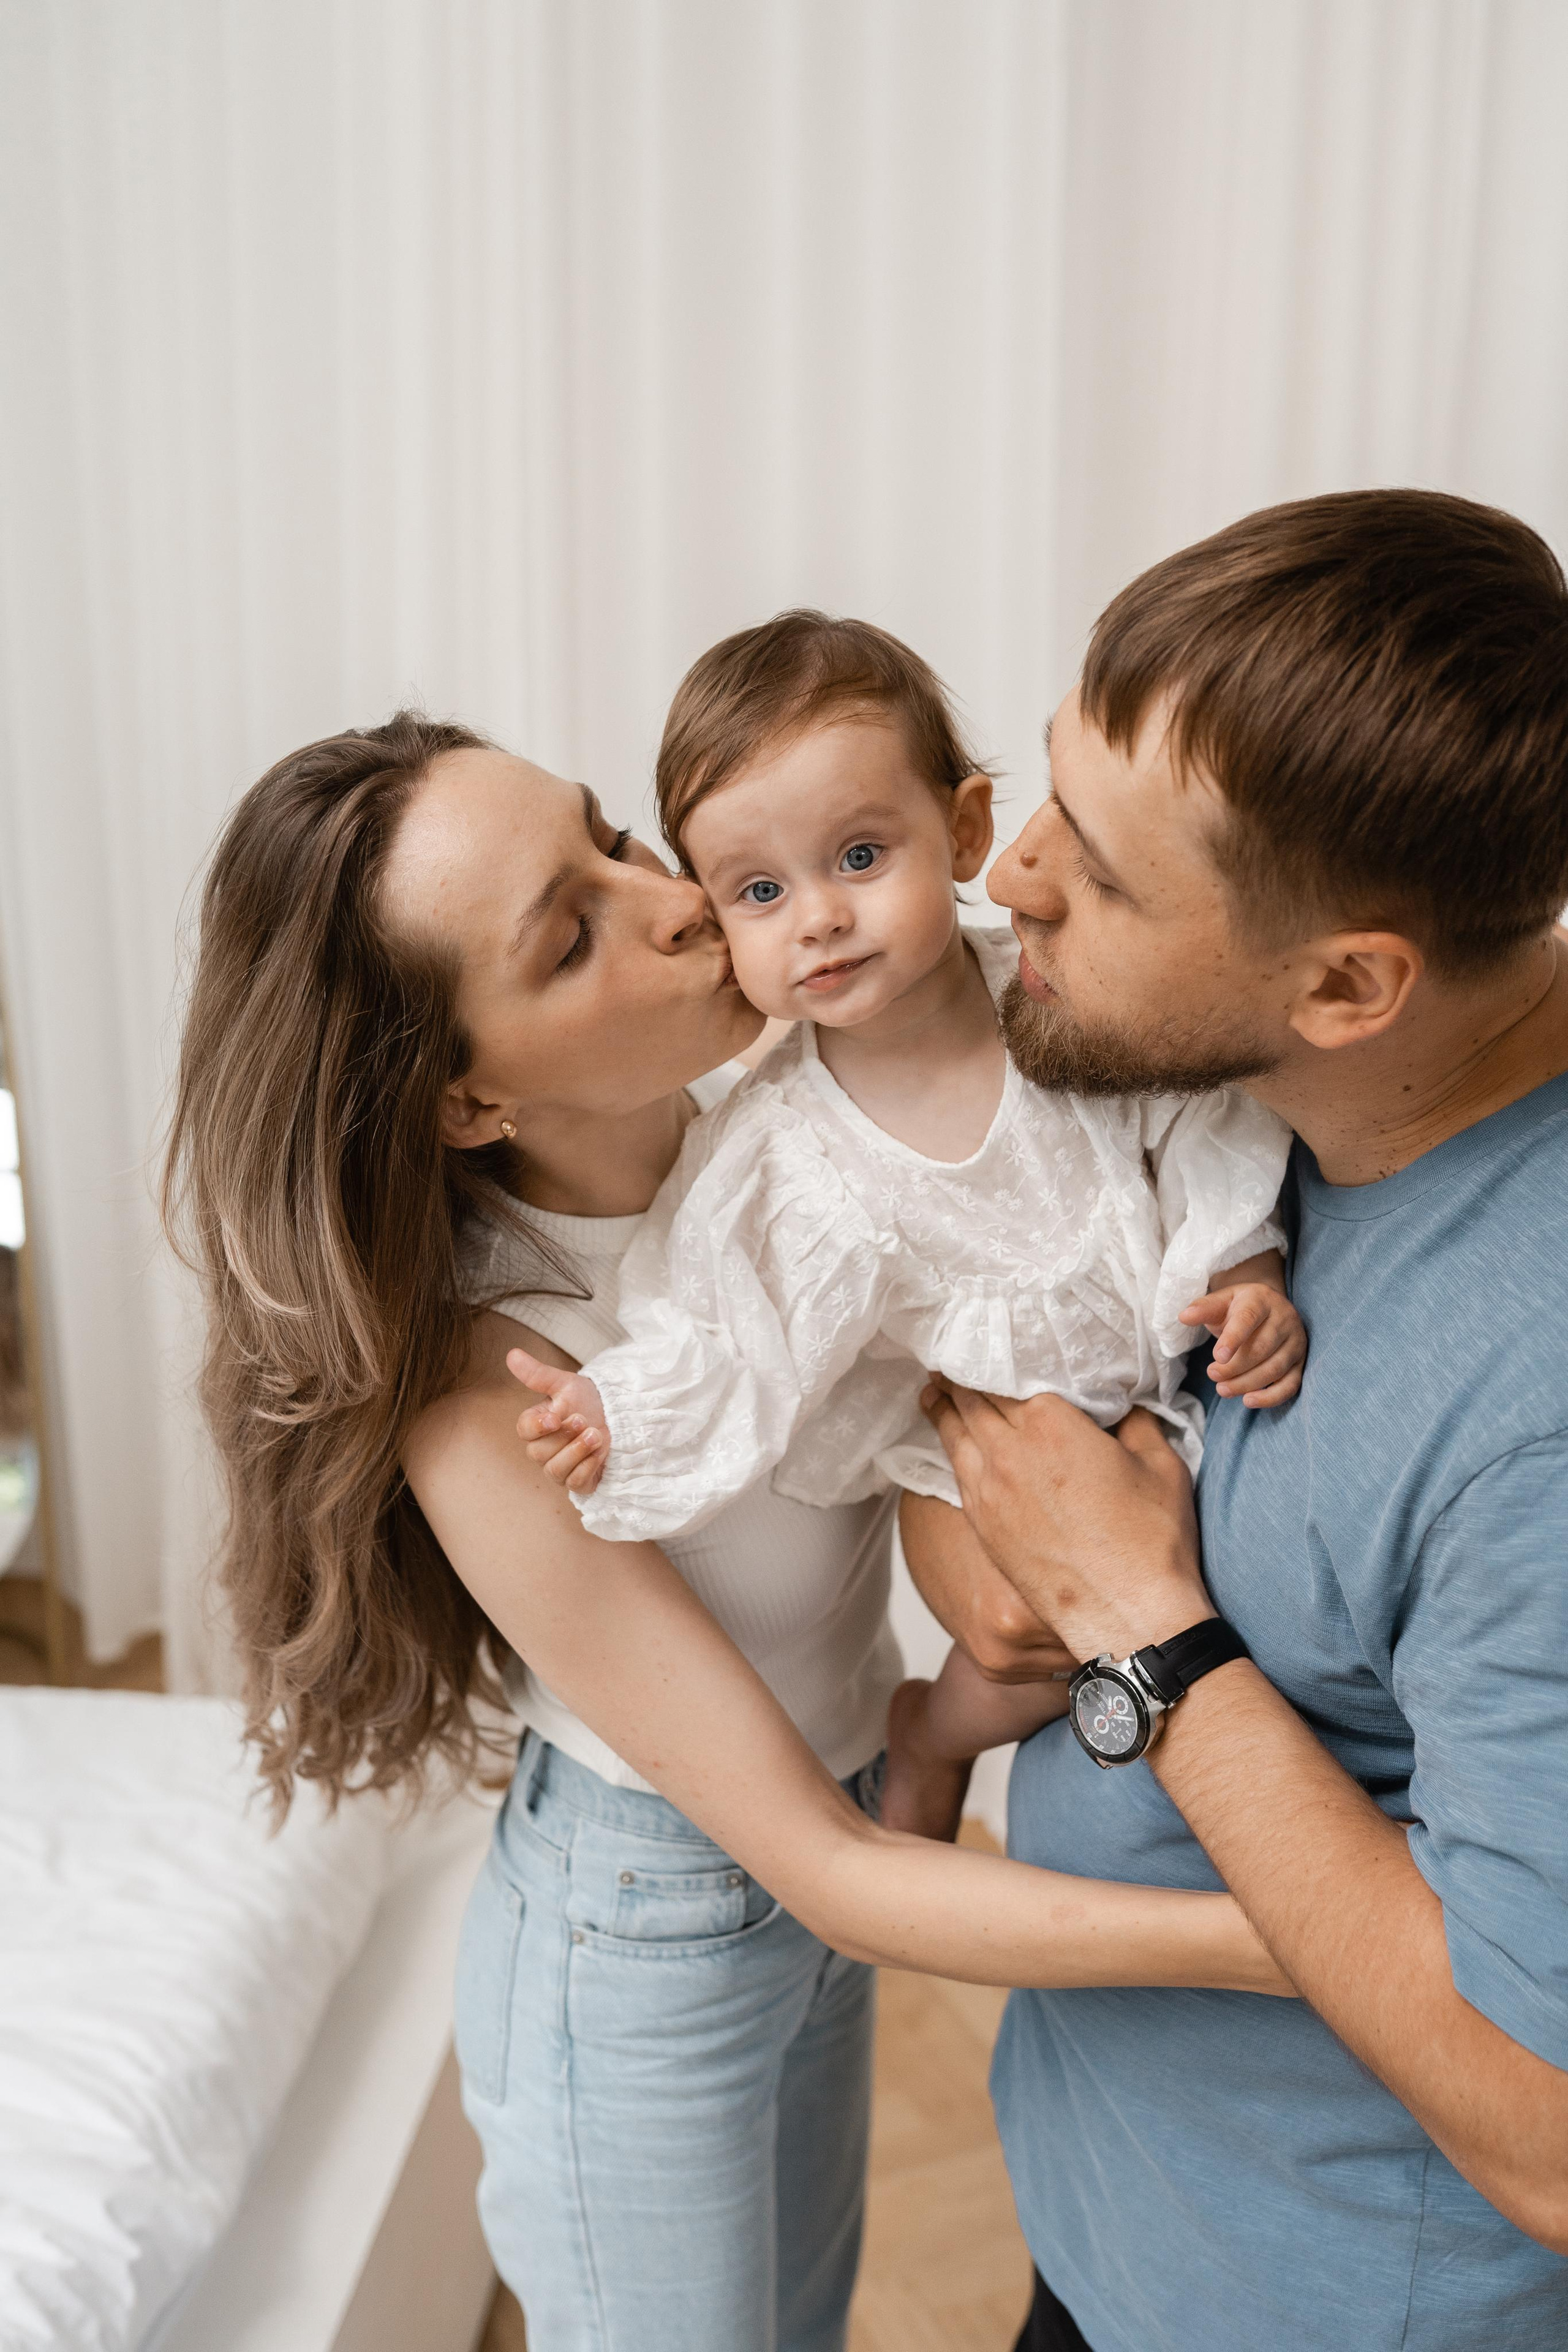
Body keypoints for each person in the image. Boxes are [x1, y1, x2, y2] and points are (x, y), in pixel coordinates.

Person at [162, 710, 1290, 2352]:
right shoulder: (503, 1388)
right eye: (573, 933)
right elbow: (832, 1875)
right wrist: (1307, 1943)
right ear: (469, 1099)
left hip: (845, 1840)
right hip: (655, 1935)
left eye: (614, 838)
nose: (673, 898)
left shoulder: (796, 1144)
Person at [905, 489, 1568, 2350]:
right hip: (1125, 2221)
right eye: (1048, 791)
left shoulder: (1542, 1415)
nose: (1009, 873)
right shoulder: (1242, 1116)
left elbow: (1549, 2128)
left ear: (1349, 984)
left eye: (1100, 877)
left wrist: (1143, 1624)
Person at [513, 611, 1305, 1840]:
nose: (817, 919)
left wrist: (1240, 1266)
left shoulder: (1056, 998)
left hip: (1163, 1392)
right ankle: (930, 1737)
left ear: (966, 831)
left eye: (860, 857)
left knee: (1206, 1595)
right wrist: (619, 1408)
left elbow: (1193, 1120)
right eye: (760, 892)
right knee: (1013, 1647)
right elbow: (722, 1314)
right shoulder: (784, 1149)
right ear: (715, 917)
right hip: (969, 1443)